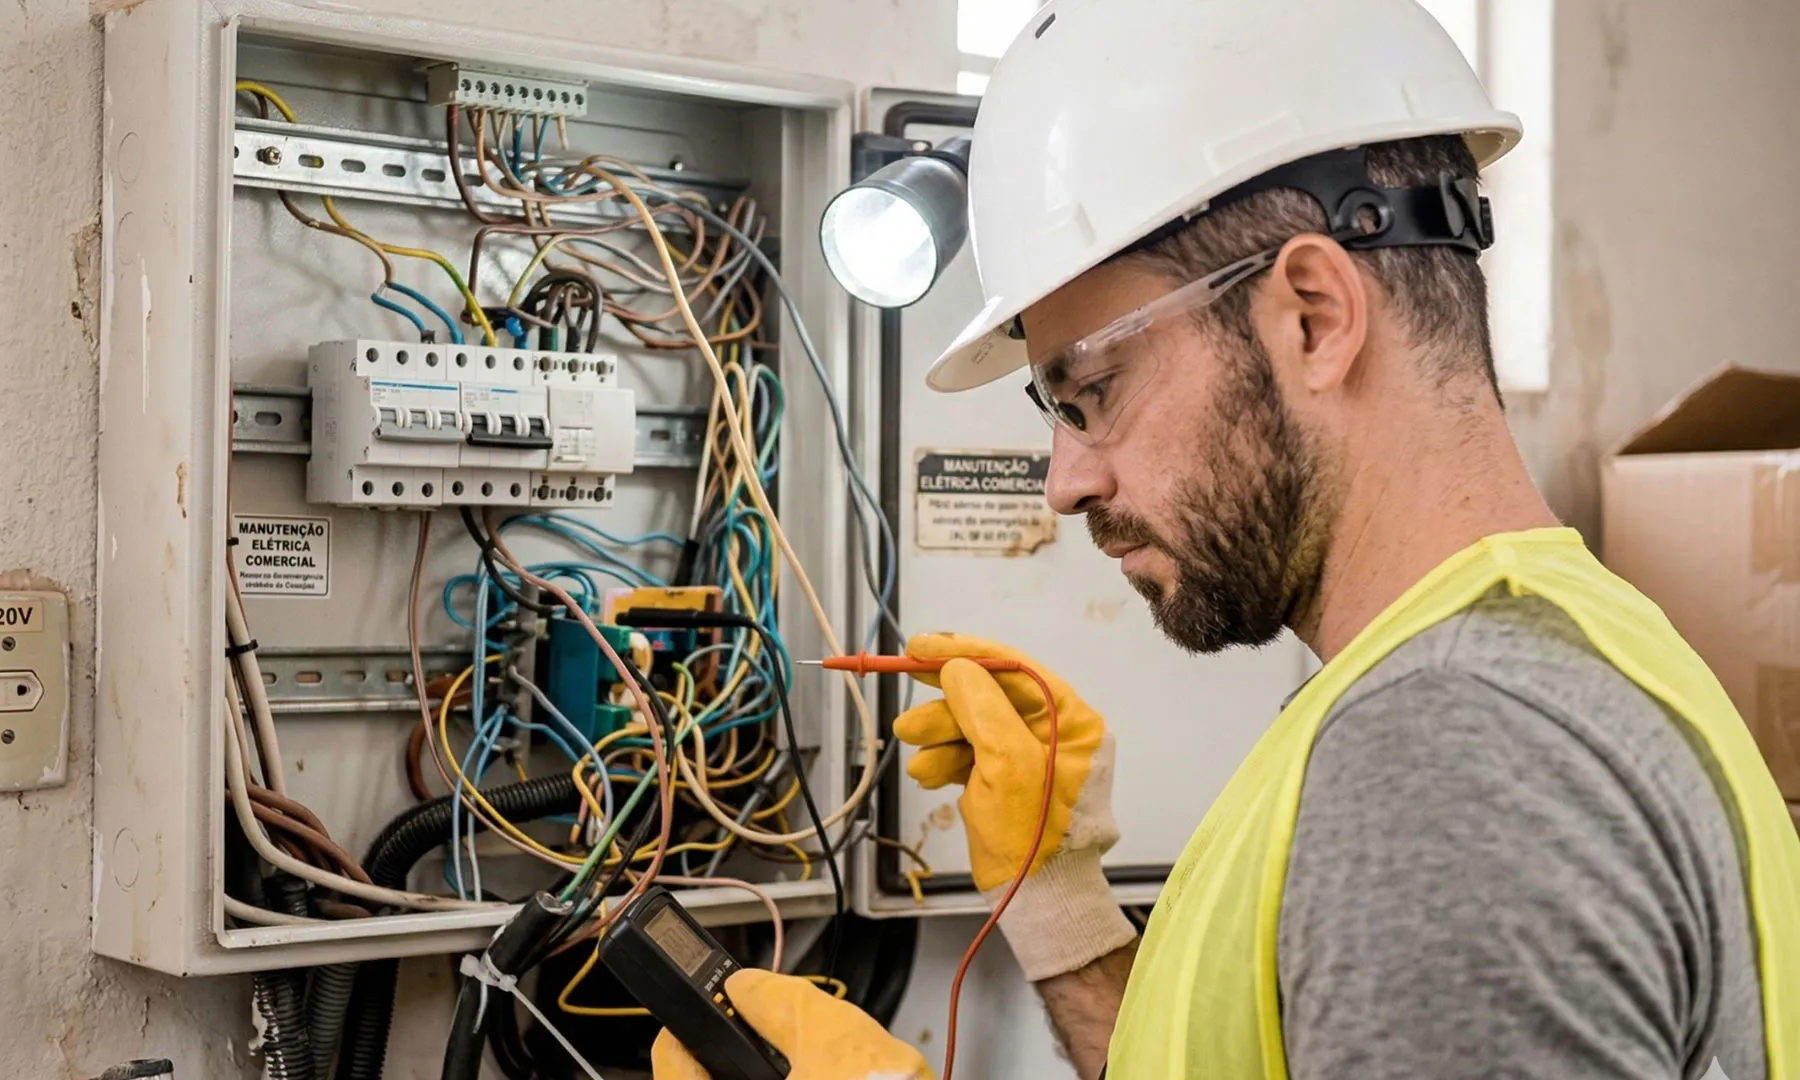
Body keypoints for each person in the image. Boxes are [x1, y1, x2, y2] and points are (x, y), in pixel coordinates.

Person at [653, 1, 1800, 1078]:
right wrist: (1058, 906)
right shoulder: (1543, 654)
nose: (1063, 482)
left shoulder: (1455, 756)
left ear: (1313, 316)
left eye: (1092, 390)